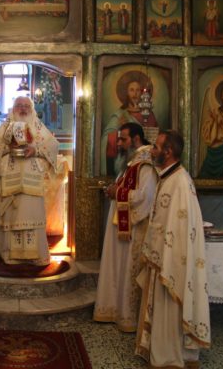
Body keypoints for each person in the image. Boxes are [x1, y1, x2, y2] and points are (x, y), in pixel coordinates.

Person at [135, 130, 211, 369]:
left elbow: (179, 229)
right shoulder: (167, 177)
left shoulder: (180, 182)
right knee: (160, 306)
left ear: (168, 152)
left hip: (171, 261)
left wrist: (164, 257)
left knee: (169, 305)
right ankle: (159, 349)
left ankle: (169, 356)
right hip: (160, 257)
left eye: (156, 147)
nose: (152, 151)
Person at [93, 123, 157, 332]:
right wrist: (114, 189)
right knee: (118, 268)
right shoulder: (132, 162)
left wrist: (117, 193)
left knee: (127, 270)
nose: (118, 143)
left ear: (136, 139)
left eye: (123, 139)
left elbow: (145, 197)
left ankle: (127, 316)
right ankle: (114, 310)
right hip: (122, 226)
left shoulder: (146, 164)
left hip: (134, 229)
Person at [0, 96, 59, 266]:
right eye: (19, 105)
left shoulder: (37, 125)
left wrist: (36, 150)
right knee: (12, 216)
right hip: (10, 180)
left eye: (26, 106)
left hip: (32, 181)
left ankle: (35, 255)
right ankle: (10, 255)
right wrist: (7, 147)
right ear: (13, 108)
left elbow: (53, 145)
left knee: (32, 215)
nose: (23, 109)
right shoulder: (6, 126)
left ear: (32, 109)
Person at [101, 72, 159, 176]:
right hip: (124, 157)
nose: (135, 94)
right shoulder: (120, 114)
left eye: (138, 90)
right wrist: (120, 131)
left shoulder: (149, 114)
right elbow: (106, 137)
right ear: (126, 93)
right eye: (131, 90)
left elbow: (156, 137)